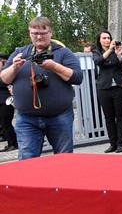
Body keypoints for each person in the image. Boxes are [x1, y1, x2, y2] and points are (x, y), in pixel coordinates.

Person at [0, 17, 83, 160]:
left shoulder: (63, 52)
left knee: (64, 160)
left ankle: (61, 183)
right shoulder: (20, 53)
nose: (39, 36)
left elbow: (77, 77)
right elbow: (3, 79)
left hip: (60, 116)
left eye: (43, 33)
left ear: (50, 33)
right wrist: (14, 67)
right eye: (35, 33)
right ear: (29, 33)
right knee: (27, 161)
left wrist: (54, 66)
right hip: (26, 118)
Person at [92, 30, 122, 153]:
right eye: (104, 38)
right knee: (109, 117)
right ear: (99, 40)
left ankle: (120, 144)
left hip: (119, 87)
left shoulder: (117, 50)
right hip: (104, 88)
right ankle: (112, 143)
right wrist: (110, 51)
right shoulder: (96, 51)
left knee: (120, 116)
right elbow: (98, 61)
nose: (107, 40)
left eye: (108, 38)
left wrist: (119, 54)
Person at [0, 53, 16, 152]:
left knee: (6, 123)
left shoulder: (5, 73)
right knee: (3, 123)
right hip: (1, 101)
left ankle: (13, 143)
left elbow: (6, 83)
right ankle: (11, 142)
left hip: (6, 101)